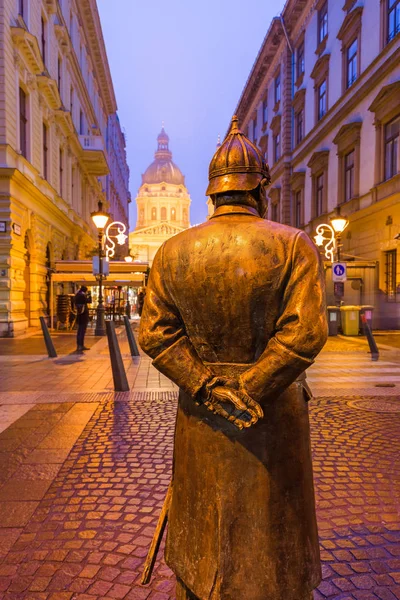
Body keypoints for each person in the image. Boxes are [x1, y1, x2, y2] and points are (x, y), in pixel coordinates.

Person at [139, 116, 328, 600]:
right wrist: (249, 389)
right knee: (273, 522)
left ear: (212, 193)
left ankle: (198, 585)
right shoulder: (293, 244)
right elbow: (304, 333)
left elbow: (155, 334)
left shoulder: (171, 251)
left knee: (203, 515)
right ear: (259, 188)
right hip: (273, 410)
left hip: (200, 412)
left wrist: (205, 386)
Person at [74, 285, 91, 352]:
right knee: (82, 331)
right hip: (83, 316)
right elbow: (89, 301)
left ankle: (80, 345)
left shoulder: (77, 295)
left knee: (79, 331)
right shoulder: (82, 296)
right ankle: (80, 345)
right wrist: (89, 295)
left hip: (79, 315)